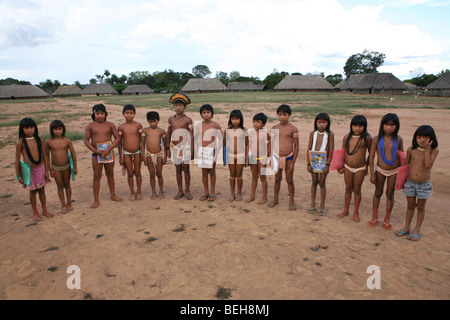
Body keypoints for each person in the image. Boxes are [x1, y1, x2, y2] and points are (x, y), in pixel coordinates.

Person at [395, 125, 438, 241]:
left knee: (420, 206)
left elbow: (428, 165)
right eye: (419, 137)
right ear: (415, 138)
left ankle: (417, 229)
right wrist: (401, 182)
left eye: (425, 137)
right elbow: (405, 166)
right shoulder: (411, 150)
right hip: (410, 182)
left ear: (431, 139)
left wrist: (427, 149)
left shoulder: (434, 150)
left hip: (424, 184)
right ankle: (406, 227)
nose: (422, 140)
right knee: (410, 205)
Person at [84, 104, 123, 208]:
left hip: (108, 153)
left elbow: (118, 138)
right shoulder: (90, 126)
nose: (100, 116)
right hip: (96, 154)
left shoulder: (110, 125)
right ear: (94, 114)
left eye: (102, 113)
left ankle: (113, 195)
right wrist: (95, 151)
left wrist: (109, 149)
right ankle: (96, 200)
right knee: (97, 176)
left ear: (106, 114)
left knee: (110, 174)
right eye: (97, 113)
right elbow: (86, 140)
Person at [369, 113, 403, 230]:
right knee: (378, 193)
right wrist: (372, 173)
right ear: (382, 125)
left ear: (396, 126)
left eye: (392, 125)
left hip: (394, 171)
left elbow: (402, 156)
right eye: (386, 124)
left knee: (390, 194)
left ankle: (387, 218)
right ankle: (374, 215)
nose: (389, 127)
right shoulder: (376, 139)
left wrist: (402, 175)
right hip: (380, 170)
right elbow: (371, 157)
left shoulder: (398, 139)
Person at [15, 118, 53, 222]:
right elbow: (17, 159)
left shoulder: (39, 140)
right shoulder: (20, 143)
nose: (30, 130)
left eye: (32, 127)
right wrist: (18, 175)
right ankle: (35, 212)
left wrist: (46, 170)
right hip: (29, 171)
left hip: (40, 168)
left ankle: (44, 210)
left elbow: (45, 155)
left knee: (42, 190)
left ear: (35, 128)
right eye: (26, 128)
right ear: (22, 129)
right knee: (32, 192)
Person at [337, 115, 372, 222]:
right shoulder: (346, 137)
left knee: (357, 190)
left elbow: (371, 154)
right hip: (347, 167)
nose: (357, 128)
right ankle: (346, 210)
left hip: (360, 168)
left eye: (360, 126)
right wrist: (340, 166)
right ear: (351, 126)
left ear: (364, 127)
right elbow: (342, 152)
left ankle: (355, 212)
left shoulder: (367, 138)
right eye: (355, 126)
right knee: (348, 188)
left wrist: (367, 167)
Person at [268, 104, 299, 210]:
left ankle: (291, 201)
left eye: (284, 114)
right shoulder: (274, 128)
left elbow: (297, 146)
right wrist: (270, 158)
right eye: (280, 114)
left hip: (289, 157)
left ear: (290, 115)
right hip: (276, 157)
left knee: (289, 180)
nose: (282, 117)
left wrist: (293, 161)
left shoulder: (293, 129)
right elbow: (270, 144)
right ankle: (275, 199)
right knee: (277, 179)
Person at [44, 120, 78, 214]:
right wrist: (49, 169)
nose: (58, 131)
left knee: (67, 184)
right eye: (55, 129)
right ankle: (63, 205)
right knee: (59, 186)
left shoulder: (67, 141)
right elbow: (46, 156)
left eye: (60, 129)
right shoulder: (49, 142)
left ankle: (69, 203)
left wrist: (75, 167)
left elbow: (73, 154)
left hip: (66, 166)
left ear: (63, 129)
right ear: (52, 130)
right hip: (55, 167)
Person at [167, 92, 194, 200]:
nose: (178, 108)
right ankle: (180, 190)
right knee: (178, 169)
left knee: (186, 169)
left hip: (185, 147)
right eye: (176, 106)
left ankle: (187, 190)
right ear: (174, 107)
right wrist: (168, 148)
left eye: (180, 106)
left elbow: (191, 135)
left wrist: (191, 149)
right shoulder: (171, 119)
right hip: (175, 147)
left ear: (185, 107)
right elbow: (168, 133)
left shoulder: (188, 120)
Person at [306, 113, 334, 216]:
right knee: (314, 182)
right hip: (313, 160)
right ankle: (312, 203)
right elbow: (309, 148)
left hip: (323, 161)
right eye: (319, 122)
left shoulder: (330, 134)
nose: (321, 125)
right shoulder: (312, 133)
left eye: (324, 122)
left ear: (328, 123)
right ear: (316, 123)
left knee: (322, 182)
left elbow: (331, 150)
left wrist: (328, 164)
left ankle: (322, 204)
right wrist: (308, 163)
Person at [195, 104, 222, 201]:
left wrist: (217, 153)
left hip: (212, 151)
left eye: (208, 113)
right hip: (202, 151)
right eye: (204, 113)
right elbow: (195, 139)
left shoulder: (216, 125)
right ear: (201, 114)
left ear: (212, 114)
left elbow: (221, 140)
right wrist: (197, 152)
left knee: (212, 172)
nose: (206, 115)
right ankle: (206, 191)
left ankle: (212, 191)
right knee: (204, 172)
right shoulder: (198, 126)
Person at [118, 104, 143, 201]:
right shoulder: (121, 127)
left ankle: (139, 191)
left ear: (135, 114)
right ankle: (132, 192)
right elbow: (119, 143)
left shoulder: (138, 125)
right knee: (130, 173)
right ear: (123, 114)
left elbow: (142, 141)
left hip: (137, 152)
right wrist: (121, 156)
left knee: (137, 172)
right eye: (127, 113)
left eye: (131, 113)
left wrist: (143, 153)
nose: (129, 115)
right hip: (126, 153)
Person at [245, 112, 270, 204]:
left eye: (258, 122)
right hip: (253, 158)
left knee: (263, 177)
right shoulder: (251, 133)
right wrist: (247, 158)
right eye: (254, 121)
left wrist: (266, 159)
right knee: (254, 177)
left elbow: (268, 147)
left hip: (262, 158)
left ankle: (264, 197)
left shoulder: (265, 134)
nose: (255, 124)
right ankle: (252, 195)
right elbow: (248, 146)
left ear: (263, 124)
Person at [141, 111, 167, 199]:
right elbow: (142, 144)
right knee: (152, 174)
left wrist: (165, 157)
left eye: (154, 121)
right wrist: (143, 156)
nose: (153, 124)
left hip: (159, 155)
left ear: (158, 120)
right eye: (150, 122)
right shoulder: (145, 130)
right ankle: (153, 192)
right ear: (148, 121)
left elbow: (165, 145)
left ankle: (161, 191)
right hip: (149, 155)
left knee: (159, 174)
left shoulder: (161, 131)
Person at [224, 109, 248, 201]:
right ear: (230, 120)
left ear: (241, 119)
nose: (235, 121)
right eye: (233, 119)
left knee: (239, 174)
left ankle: (239, 193)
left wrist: (246, 158)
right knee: (232, 174)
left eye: (237, 119)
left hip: (240, 155)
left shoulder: (244, 130)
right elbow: (225, 144)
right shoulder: (227, 131)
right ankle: (232, 193)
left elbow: (246, 144)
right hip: (230, 156)